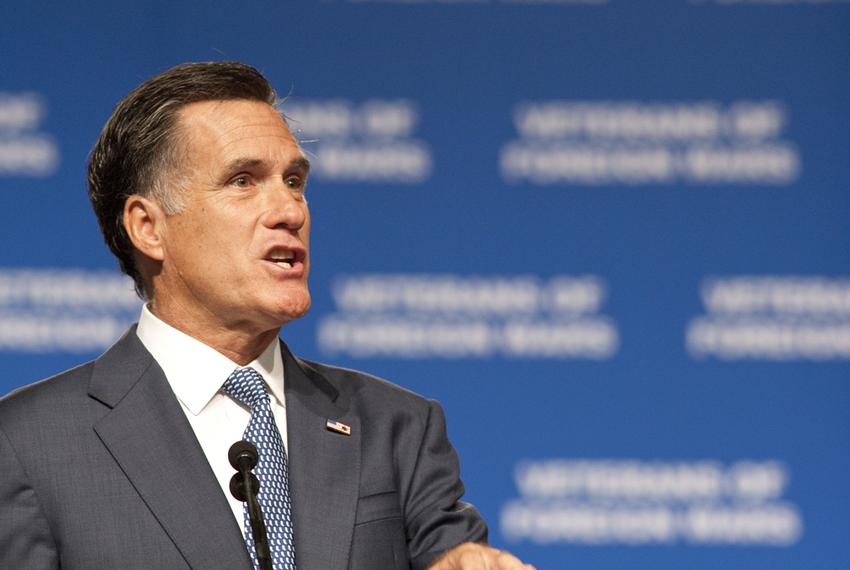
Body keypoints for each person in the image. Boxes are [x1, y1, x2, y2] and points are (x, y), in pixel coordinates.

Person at [0, 62, 532, 570]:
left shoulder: (397, 428)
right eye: (243, 181)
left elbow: (452, 557)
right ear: (148, 227)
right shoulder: (28, 443)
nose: (290, 211)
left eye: (294, 181)